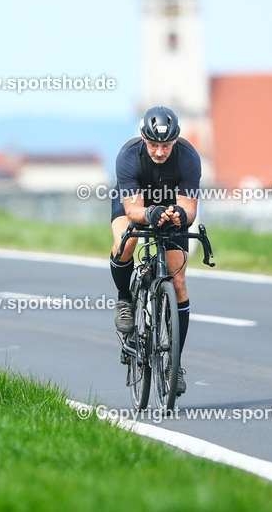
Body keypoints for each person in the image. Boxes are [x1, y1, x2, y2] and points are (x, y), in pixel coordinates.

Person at [110, 105, 201, 395]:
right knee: (128, 241)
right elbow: (132, 209)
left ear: (175, 141)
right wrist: (149, 214)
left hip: (169, 209)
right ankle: (125, 299)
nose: (159, 151)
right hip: (136, 205)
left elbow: (190, 209)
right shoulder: (128, 156)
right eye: (153, 145)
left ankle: (176, 363)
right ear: (143, 139)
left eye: (165, 145)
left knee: (178, 281)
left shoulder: (188, 158)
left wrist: (178, 215)